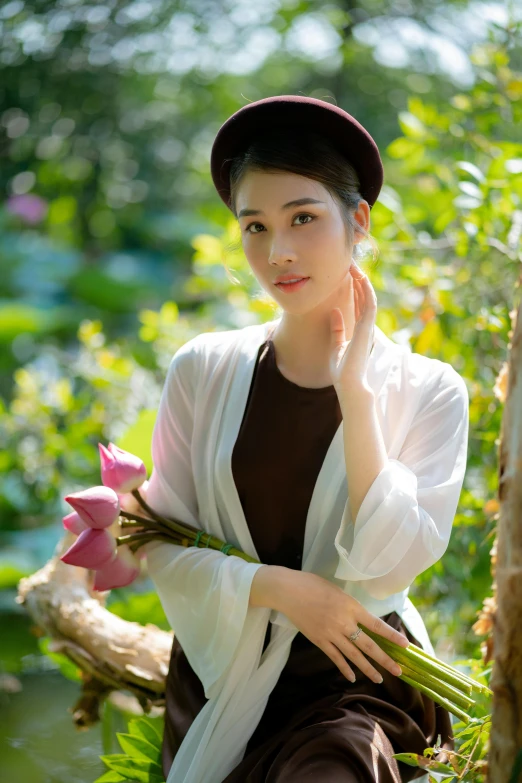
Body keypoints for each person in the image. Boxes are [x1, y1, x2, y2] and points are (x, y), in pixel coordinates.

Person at [142, 95, 470, 783]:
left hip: (363, 684)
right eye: (254, 226)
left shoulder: (431, 389)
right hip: (225, 678)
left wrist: (356, 390)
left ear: (358, 221)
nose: (278, 251)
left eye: (303, 217)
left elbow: (391, 562)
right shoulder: (201, 370)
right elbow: (157, 540)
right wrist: (282, 589)